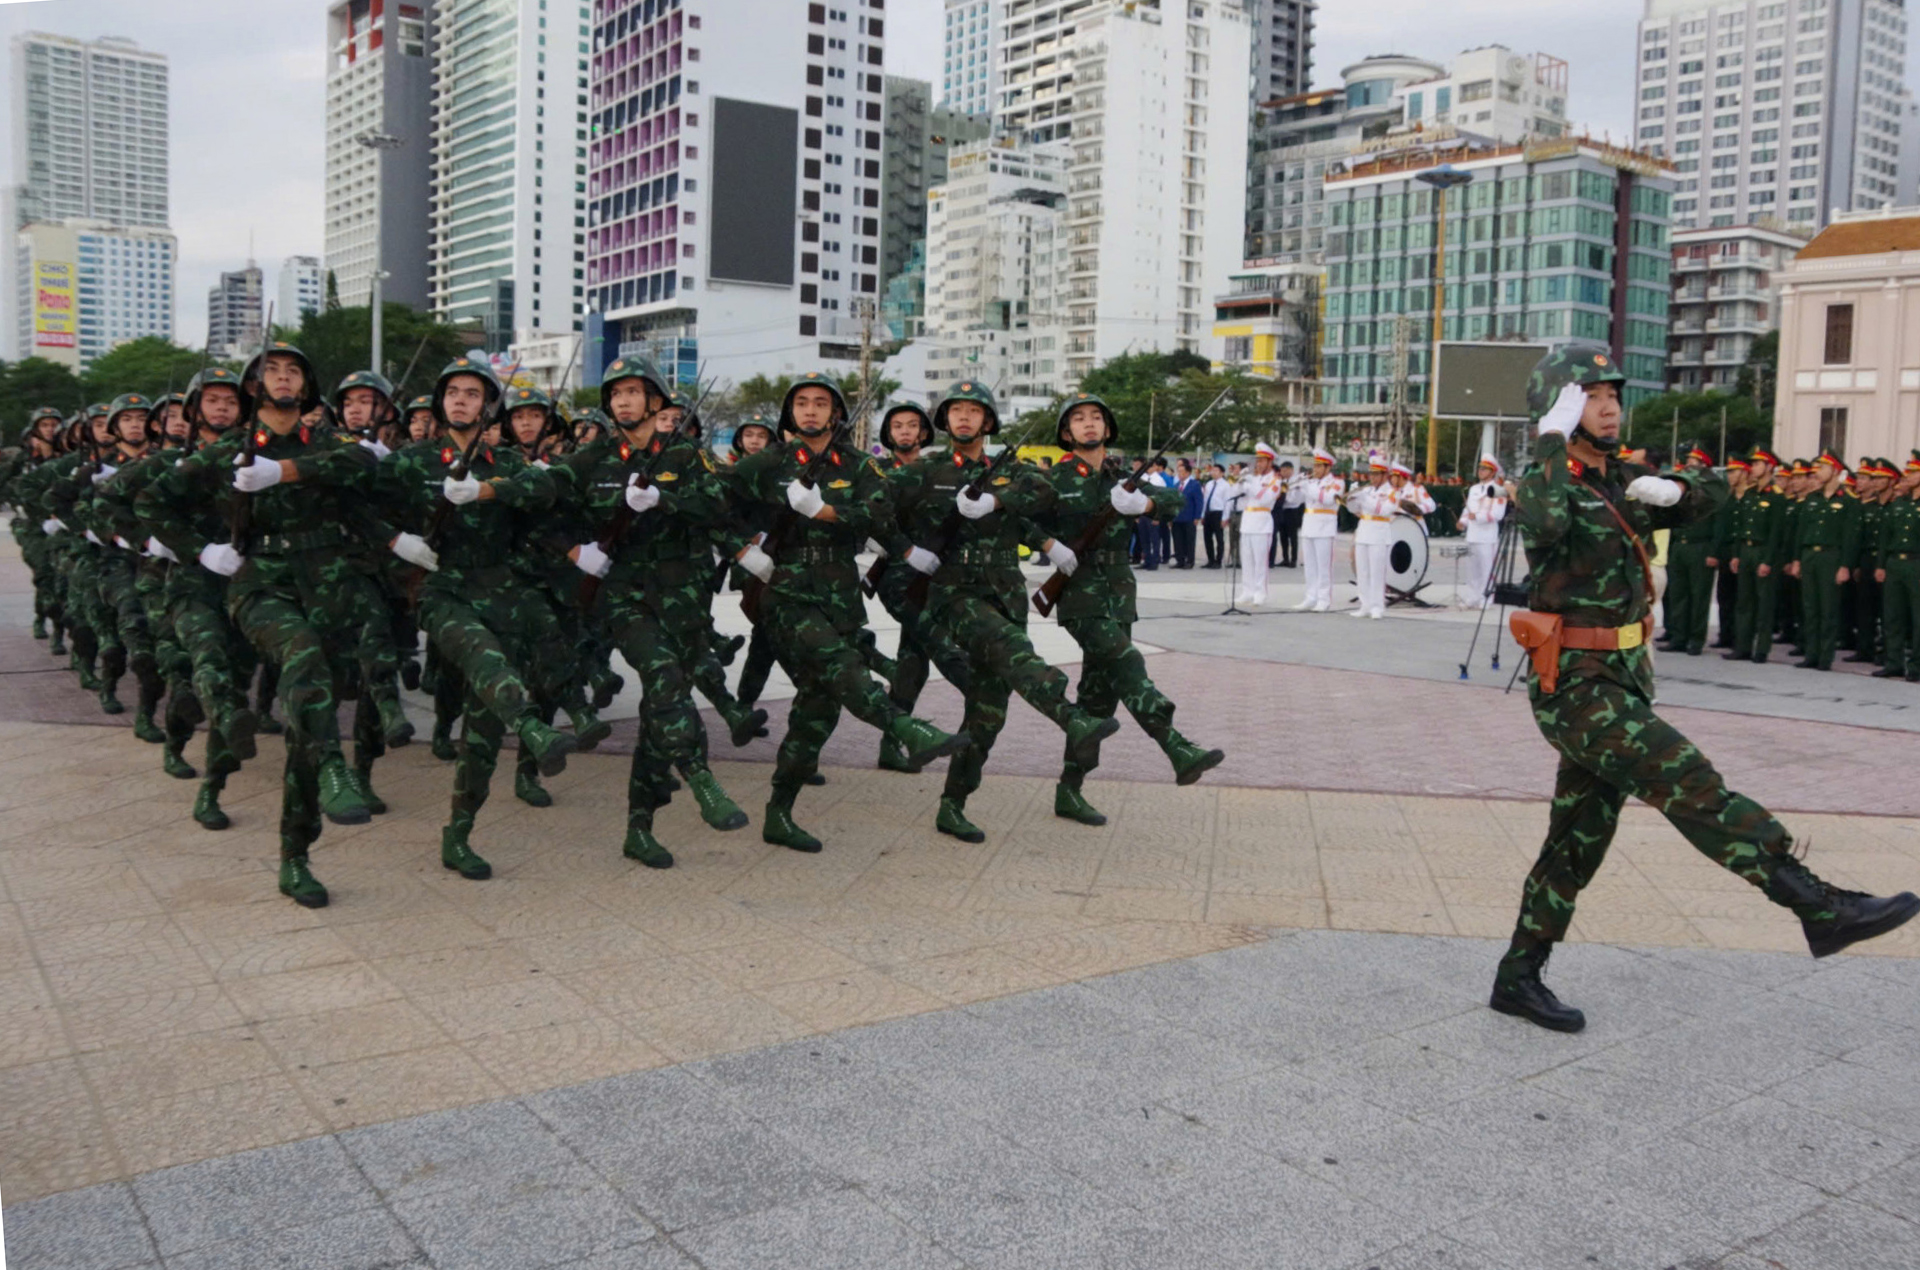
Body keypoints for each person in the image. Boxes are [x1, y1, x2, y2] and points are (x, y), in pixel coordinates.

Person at [1493, 343, 1918, 1033]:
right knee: (1690, 781)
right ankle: (1817, 906)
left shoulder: (1618, 482)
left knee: (1577, 838)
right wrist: (1545, 439)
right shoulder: (1552, 482)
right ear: (1562, 407)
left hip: (1623, 681)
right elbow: (1542, 525)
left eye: (1613, 394)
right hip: (1574, 687)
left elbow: (1713, 495)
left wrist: (1675, 490)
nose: (1610, 406)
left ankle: (1517, 976)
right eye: (1592, 396)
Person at [140, 342, 389, 906]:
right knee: (302, 659)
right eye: (271, 371)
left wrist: (283, 471)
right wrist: (201, 552)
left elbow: (363, 462)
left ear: (306, 387)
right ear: (255, 387)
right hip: (260, 584)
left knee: (308, 710)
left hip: (326, 585)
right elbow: (154, 503)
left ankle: (294, 857)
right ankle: (334, 762)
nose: (282, 378)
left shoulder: (326, 442)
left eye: (293, 371)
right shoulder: (227, 450)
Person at [727, 374, 970, 852]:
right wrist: (742, 550)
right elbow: (712, 507)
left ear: (836, 413)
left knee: (817, 711)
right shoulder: (765, 463)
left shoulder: (859, 466)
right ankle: (904, 727)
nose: (811, 411)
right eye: (802, 403)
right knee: (842, 665)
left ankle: (779, 811)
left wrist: (827, 512)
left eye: (821, 403)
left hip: (839, 591)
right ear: (790, 412)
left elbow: (879, 517)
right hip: (786, 589)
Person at [878, 379, 1120, 843]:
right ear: (945, 420)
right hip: (954, 593)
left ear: (988, 421)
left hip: (1005, 592)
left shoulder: (1008, 472)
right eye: (956, 411)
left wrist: (996, 498)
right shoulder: (922, 472)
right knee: (1011, 649)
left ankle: (953, 804)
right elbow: (870, 507)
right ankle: (1070, 716)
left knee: (988, 711)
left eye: (974, 411)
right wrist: (905, 551)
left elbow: (1044, 494)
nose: (964, 418)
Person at [552, 356, 746, 868]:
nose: (623, 400)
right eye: (616, 392)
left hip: (682, 599)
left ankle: (639, 828)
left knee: (661, 710)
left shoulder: (684, 455)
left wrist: (663, 500)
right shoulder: (591, 460)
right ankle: (701, 779)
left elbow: (718, 507)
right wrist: (575, 550)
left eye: (634, 391)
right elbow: (541, 505)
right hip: (624, 595)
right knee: (660, 678)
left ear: (655, 401)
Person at [1034, 393, 1225, 825]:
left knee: (1098, 700)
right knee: (1127, 659)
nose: (1088, 424)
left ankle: (1070, 790)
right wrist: (1049, 545)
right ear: (1066, 433)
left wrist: (1147, 504)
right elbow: (1014, 517)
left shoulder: (1124, 478)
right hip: (1079, 593)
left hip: (1119, 593)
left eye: (1096, 417)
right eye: (1078, 419)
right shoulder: (1053, 479)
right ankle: (1175, 745)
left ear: (1107, 427)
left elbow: (1178, 504)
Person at [1787, 450, 1858, 671]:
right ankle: (1811, 653)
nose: (1818, 472)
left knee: (1828, 608)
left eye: (1824, 468)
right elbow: (1801, 531)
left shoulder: (1847, 501)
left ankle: (1825, 656)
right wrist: (1797, 560)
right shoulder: (1812, 499)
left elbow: (1850, 537)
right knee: (1810, 607)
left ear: (1836, 471)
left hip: (1831, 557)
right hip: (1810, 555)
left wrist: (1845, 565)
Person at [1723, 448, 1786, 663]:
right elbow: (1741, 527)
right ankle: (1742, 646)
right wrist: (1736, 555)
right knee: (1744, 602)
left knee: (1764, 603)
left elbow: (1777, 532)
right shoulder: (1749, 494)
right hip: (1747, 550)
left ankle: (1762, 648)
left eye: (1759, 464)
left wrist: (1768, 560)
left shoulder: (1776, 496)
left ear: (1769, 467)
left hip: (1763, 551)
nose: (1754, 467)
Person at [1874, 452, 1920, 681]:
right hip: (1894, 563)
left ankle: (1916, 666)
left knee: (1917, 617)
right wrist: (1881, 564)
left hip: (1916, 563)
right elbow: (1885, 536)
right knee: (1892, 615)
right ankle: (1894, 662)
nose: (1908, 476)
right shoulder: (1899, 503)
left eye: (1913, 472)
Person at [1290, 448, 1344, 612]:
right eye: (1315, 466)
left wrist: (1307, 487)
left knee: (1323, 566)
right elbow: (1294, 501)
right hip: (1309, 526)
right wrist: (1295, 486)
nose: (1315, 470)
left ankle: (1324, 599)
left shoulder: (1337, 483)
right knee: (1310, 566)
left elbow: (1327, 499)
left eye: (1319, 466)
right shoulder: (1311, 483)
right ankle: (1310, 596)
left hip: (1325, 527)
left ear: (1328, 468)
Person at [1234, 443, 1285, 606]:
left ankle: (1260, 592)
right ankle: (1247, 591)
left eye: (1262, 461)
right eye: (1258, 461)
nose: (1258, 464)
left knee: (1260, 560)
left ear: (1270, 462)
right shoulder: (1254, 478)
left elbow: (1264, 497)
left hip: (1262, 521)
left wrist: (1250, 483)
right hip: (1248, 520)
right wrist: (1240, 482)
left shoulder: (1275, 480)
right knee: (1246, 559)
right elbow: (1234, 494)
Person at [1457, 455, 1509, 610]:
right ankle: (1472, 597)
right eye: (1480, 468)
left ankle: (1487, 597)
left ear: (1492, 472)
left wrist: (1478, 517)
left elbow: (1498, 514)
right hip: (1473, 534)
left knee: (1487, 569)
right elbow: (1468, 509)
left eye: (1484, 469)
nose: (1481, 471)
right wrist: (1463, 521)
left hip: (1487, 535)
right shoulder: (1473, 489)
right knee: (1472, 570)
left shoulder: (1499, 490)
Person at [1345, 456, 1394, 619]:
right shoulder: (1366, 490)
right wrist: (1351, 499)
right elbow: (1353, 510)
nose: (1371, 477)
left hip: (1379, 534)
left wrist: (1364, 498)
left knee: (1377, 572)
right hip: (1364, 531)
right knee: (1362, 571)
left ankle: (1377, 606)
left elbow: (1382, 510)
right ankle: (1364, 604)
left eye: (1376, 474)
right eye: (1371, 474)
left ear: (1385, 475)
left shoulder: (1392, 492)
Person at [1171, 459, 1203, 569]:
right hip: (1177, 517)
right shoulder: (1176, 486)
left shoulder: (1194, 484)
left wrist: (1197, 516)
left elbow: (1199, 501)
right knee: (1177, 540)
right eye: (1178, 472)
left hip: (1189, 517)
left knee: (1189, 540)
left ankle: (1190, 561)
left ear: (1188, 473)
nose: (1179, 474)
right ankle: (1180, 560)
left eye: (1182, 472)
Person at [1275, 460, 1304, 568]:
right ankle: (1285, 558)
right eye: (1282, 470)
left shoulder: (1296, 482)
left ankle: (1293, 559)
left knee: (1293, 536)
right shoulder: (1281, 481)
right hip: (1282, 510)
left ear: (1291, 470)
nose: (1283, 472)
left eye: (1285, 470)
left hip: (1292, 511)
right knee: (1283, 536)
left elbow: (1296, 499)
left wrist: (1284, 495)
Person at [1201, 462, 1230, 568]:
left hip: (1218, 513)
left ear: (1222, 473)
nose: (1213, 472)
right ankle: (1210, 560)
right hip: (1208, 513)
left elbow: (1227, 502)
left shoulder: (1226, 485)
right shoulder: (1209, 484)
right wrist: (1203, 514)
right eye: (1212, 470)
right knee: (1207, 538)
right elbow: (1205, 500)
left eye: (1216, 470)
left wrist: (1225, 518)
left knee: (1219, 538)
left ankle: (1218, 561)